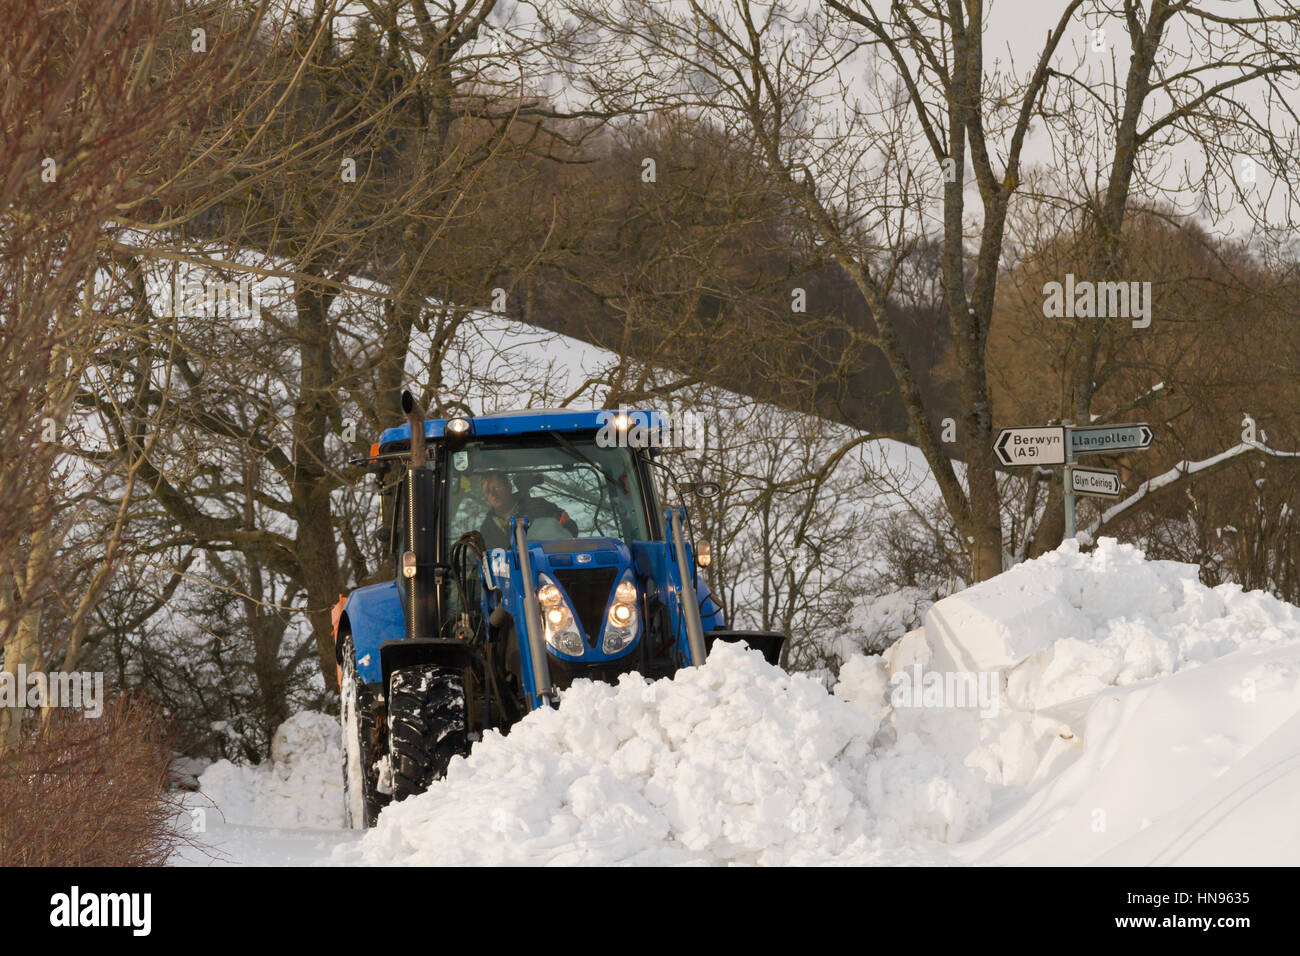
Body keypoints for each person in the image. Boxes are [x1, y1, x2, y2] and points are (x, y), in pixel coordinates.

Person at [477, 471, 578, 549]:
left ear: (508, 486)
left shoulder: (539, 506)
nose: (493, 494)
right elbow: (482, 562)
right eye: (487, 491)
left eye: (497, 487)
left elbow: (570, 532)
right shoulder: (487, 529)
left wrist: (566, 524)